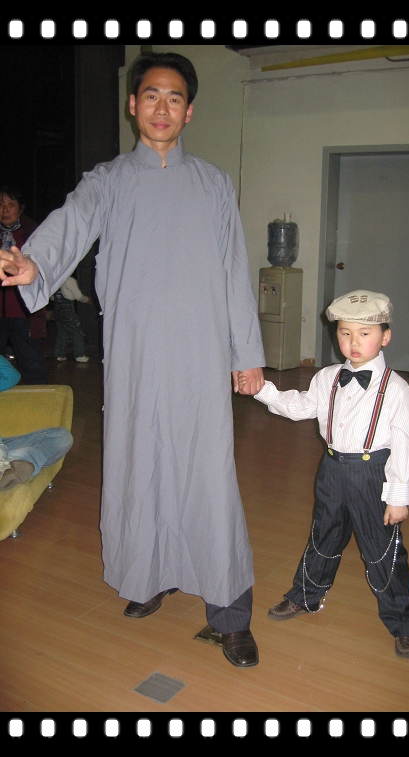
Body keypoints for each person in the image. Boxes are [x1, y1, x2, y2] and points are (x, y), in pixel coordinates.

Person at [0, 53, 265, 668]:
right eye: (151, 96)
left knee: (207, 474)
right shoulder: (109, 180)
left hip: (200, 352)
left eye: (174, 98)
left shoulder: (214, 184)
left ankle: (229, 611)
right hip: (135, 354)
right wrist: (34, 264)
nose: (161, 108)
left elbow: (234, 271)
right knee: (139, 465)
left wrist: (247, 354)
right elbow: (70, 223)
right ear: (132, 105)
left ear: (189, 111)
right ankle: (151, 575)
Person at [238, 290, 409, 659]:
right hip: (333, 469)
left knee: (382, 550)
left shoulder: (397, 389)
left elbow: (404, 443)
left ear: (385, 337)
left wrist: (398, 495)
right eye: (345, 333)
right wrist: (264, 391)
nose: (353, 342)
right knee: (323, 536)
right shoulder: (327, 377)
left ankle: (404, 623)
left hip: (372, 474)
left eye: (365, 334)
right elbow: (301, 406)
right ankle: (306, 595)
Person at [0, 355, 73, 490]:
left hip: (4, 444)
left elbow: (11, 375)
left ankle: (8, 467)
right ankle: (9, 467)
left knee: (62, 437)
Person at [0, 186, 48, 384]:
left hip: (24, 313)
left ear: (21, 208)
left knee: (32, 366)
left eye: (11, 204)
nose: (5, 210)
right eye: (1, 204)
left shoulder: (33, 233)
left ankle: (39, 404)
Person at [52, 275, 93, 363]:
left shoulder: (56, 280)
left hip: (57, 308)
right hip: (67, 308)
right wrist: (87, 300)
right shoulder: (69, 280)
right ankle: (80, 355)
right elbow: (78, 296)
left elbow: (51, 296)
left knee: (61, 332)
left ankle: (59, 355)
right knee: (76, 332)